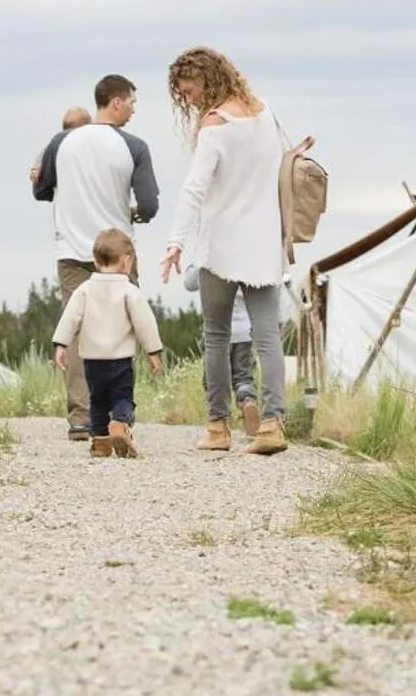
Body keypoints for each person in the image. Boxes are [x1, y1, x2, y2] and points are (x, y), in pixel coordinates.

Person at [159, 47, 289, 455]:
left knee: (216, 335)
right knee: (268, 336)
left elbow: (194, 189)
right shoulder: (266, 113)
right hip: (265, 243)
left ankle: (217, 428)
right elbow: (285, 165)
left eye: (192, 90)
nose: (190, 99)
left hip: (221, 245)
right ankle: (272, 425)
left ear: (209, 80)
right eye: (183, 95)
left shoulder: (215, 125)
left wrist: (176, 242)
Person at [32, 74, 159, 442]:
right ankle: (121, 411)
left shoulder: (61, 143)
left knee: (73, 326)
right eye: (132, 102)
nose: (134, 109)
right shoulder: (134, 146)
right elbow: (149, 204)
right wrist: (134, 213)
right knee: (127, 321)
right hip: (118, 253)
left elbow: (42, 190)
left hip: (72, 250)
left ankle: (80, 417)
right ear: (116, 102)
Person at [52, 229, 165, 458]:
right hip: (120, 361)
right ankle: (120, 424)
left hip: (92, 361)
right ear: (128, 261)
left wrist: (61, 345)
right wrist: (153, 351)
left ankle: (101, 442)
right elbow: (144, 322)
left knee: (97, 401)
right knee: (122, 397)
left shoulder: (83, 290)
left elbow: (70, 317)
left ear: (95, 260)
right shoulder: (129, 292)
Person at [183, 260, 259, 437]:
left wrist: (194, 263)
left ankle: (220, 418)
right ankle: (247, 402)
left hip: (217, 335)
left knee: (212, 379)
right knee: (243, 378)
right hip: (245, 333)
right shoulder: (244, 259)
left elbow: (190, 283)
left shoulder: (211, 258)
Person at [30, 105, 92, 186]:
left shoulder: (56, 144)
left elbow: (41, 157)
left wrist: (35, 169)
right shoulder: (89, 143)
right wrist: (35, 169)